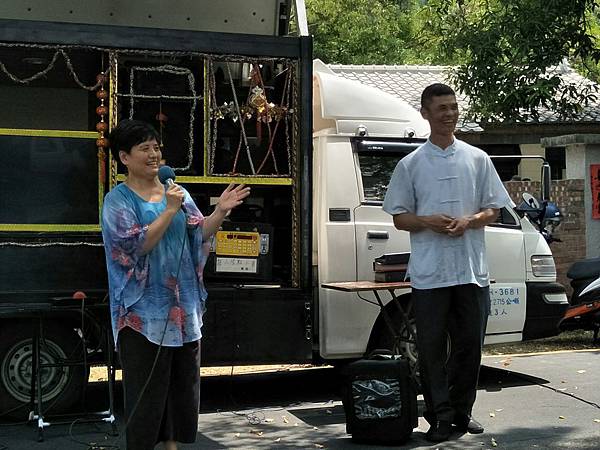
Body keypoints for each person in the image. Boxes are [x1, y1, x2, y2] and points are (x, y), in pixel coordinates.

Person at [101, 119, 250, 450]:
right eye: (144, 148)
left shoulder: (176, 193)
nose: (154, 154)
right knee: (147, 393)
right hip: (142, 315)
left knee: (180, 388)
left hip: (183, 309)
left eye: (156, 147)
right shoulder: (118, 200)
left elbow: (199, 233)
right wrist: (168, 210)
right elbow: (135, 246)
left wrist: (220, 212)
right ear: (124, 157)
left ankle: (172, 445)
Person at [383, 84, 513, 443]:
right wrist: (427, 221)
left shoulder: (477, 158)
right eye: (441, 108)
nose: (449, 114)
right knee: (431, 349)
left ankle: (461, 411)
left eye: (453, 107)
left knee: (470, 346)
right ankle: (439, 415)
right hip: (430, 273)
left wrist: (471, 220)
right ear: (425, 113)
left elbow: (494, 209)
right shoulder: (411, 164)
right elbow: (399, 218)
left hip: (471, 270)